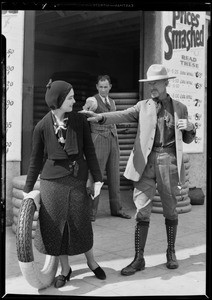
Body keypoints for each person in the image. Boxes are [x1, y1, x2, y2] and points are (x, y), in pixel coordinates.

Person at [80, 64, 196, 275]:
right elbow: (122, 115)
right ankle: (138, 258)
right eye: (149, 83)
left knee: (170, 209)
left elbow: (188, 138)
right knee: (141, 210)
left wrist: (190, 128)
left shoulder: (180, 107)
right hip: (144, 164)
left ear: (166, 83)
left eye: (155, 83)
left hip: (169, 161)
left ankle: (171, 252)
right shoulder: (142, 106)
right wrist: (102, 118)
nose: (152, 86)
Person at [23, 79, 106, 288]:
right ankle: (65, 269)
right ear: (58, 100)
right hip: (52, 182)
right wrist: (27, 191)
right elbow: (35, 161)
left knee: (81, 223)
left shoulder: (79, 121)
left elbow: (90, 150)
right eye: (70, 98)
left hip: (77, 178)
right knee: (56, 228)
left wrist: (97, 178)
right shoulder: (41, 126)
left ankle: (91, 261)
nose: (74, 100)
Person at [83, 75, 131, 221]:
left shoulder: (112, 102)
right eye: (100, 87)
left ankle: (117, 209)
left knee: (114, 176)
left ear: (110, 87)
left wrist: (120, 127)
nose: (103, 89)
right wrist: (87, 107)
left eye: (106, 87)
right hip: (98, 140)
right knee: (96, 177)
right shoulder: (93, 100)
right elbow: (86, 109)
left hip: (113, 140)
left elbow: (112, 119)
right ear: (97, 87)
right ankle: (91, 212)